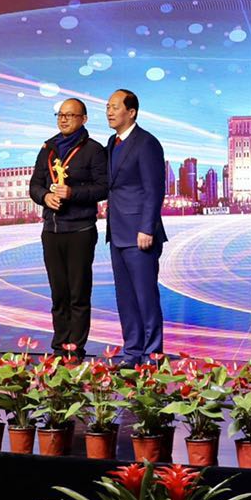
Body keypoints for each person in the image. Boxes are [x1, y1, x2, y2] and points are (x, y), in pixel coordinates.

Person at [28, 97, 107, 358]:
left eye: (70, 115)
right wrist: (44, 197)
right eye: (60, 115)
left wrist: (72, 193)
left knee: (78, 294)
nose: (63, 119)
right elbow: (35, 185)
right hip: (51, 231)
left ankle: (76, 349)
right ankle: (59, 347)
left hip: (80, 231)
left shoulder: (94, 150)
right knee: (58, 293)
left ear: (84, 119)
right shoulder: (48, 149)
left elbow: (103, 188)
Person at [104, 88, 168, 365]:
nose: (109, 111)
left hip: (140, 234)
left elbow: (154, 190)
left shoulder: (146, 143)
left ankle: (153, 355)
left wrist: (147, 228)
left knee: (146, 298)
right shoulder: (112, 142)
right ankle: (132, 352)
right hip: (117, 232)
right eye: (107, 107)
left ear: (131, 112)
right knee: (126, 298)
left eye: (115, 107)